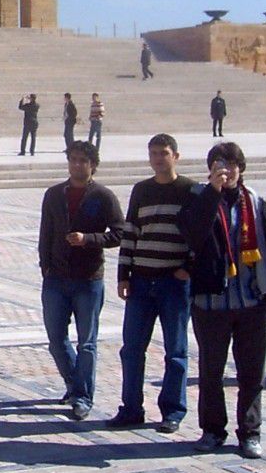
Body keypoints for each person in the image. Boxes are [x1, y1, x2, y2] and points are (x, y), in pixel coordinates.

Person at [179, 142, 266, 459]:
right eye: (218, 164)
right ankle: (213, 430)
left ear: (241, 168)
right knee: (211, 372)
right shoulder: (199, 197)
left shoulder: (254, 201)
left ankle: (250, 432)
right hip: (212, 303)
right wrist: (212, 191)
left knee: (252, 373)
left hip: (253, 301)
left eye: (231, 164)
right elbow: (192, 233)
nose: (225, 170)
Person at [108, 134, 196, 434]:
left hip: (173, 283)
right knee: (131, 348)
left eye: (164, 153)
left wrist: (188, 268)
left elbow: (200, 236)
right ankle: (131, 408)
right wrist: (123, 274)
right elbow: (130, 232)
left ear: (176, 156)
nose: (159, 158)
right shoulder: (141, 190)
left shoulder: (189, 191)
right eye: (154, 153)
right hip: (142, 282)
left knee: (176, 350)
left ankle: (173, 410)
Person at [38, 140, 125, 420]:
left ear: (93, 165)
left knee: (87, 342)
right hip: (56, 279)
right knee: (56, 339)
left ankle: (82, 397)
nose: (77, 164)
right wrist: (45, 266)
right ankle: (75, 385)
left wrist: (89, 240)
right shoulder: (53, 194)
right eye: (73, 159)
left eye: (83, 160)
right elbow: (45, 233)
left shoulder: (103, 196)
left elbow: (120, 233)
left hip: (88, 279)